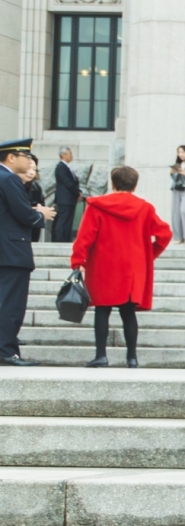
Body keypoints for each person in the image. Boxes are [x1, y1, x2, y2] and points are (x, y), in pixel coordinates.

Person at [70, 165, 171, 368]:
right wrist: (149, 254)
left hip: (103, 265)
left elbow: (84, 238)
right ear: (135, 185)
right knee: (128, 313)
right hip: (133, 268)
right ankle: (131, 358)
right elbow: (165, 234)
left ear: (113, 183)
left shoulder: (97, 206)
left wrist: (78, 262)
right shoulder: (145, 208)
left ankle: (101, 355)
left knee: (102, 310)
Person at [0, 135, 53, 363]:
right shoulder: (9, 179)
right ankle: (6, 352)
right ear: (11, 158)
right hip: (11, 251)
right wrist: (41, 214)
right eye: (25, 156)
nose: (29, 160)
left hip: (6, 250)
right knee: (10, 305)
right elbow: (23, 213)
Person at [51, 148, 80, 243]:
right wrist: (77, 192)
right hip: (65, 199)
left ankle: (66, 238)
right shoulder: (60, 167)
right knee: (64, 220)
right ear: (63, 155)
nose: (71, 156)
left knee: (69, 220)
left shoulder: (67, 167)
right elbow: (68, 183)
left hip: (70, 199)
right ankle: (60, 239)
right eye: (69, 153)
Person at [23, 157, 45, 243]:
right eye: (28, 168)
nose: (31, 172)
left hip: (35, 223)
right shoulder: (15, 185)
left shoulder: (36, 186)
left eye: (34, 169)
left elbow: (41, 201)